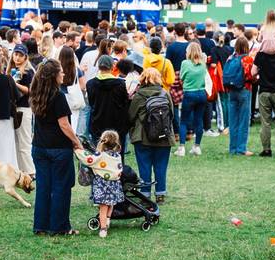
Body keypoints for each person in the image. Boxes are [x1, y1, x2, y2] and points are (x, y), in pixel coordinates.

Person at [30, 58, 82, 235]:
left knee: (44, 187)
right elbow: (64, 124)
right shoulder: (58, 96)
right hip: (59, 147)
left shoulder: (36, 93)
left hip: (40, 146)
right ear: (54, 76)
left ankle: (41, 225)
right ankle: (59, 226)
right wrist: (77, 142)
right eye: (61, 71)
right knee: (61, 186)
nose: (64, 73)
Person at [128, 68, 175, 203]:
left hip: (142, 137)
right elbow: (171, 113)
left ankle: (145, 194)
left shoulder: (139, 95)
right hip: (164, 136)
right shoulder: (164, 93)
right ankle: (160, 194)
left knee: (144, 166)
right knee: (161, 166)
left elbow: (131, 116)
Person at [75, 130, 124, 238]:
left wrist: (78, 150)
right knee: (110, 204)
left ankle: (103, 229)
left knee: (103, 207)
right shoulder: (117, 156)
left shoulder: (101, 155)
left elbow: (88, 160)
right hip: (114, 184)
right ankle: (107, 220)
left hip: (102, 184)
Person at [252, 32, 275, 157]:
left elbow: (253, 72)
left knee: (265, 122)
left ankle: (266, 149)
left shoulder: (260, 55)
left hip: (264, 91)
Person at [86, 55, 130, 149]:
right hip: (117, 124)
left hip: (97, 123)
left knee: (99, 153)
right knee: (117, 156)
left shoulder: (90, 84)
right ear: (112, 66)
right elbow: (124, 103)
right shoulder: (120, 84)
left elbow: (91, 103)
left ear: (98, 67)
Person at [7, 44, 36, 176]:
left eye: (20, 55)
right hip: (14, 109)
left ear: (25, 57)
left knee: (24, 142)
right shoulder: (12, 70)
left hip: (24, 108)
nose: (17, 57)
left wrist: (14, 83)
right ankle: (22, 170)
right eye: (15, 54)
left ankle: (31, 171)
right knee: (17, 142)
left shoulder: (28, 72)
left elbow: (30, 91)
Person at [175, 42, 208, 157]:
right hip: (202, 93)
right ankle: (197, 146)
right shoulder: (203, 63)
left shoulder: (185, 63)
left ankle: (182, 147)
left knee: (184, 121)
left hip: (189, 93)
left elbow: (181, 77)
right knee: (199, 121)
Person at [225, 37, 254, 156]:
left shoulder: (230, 58)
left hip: (231, 91)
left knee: (233, 120)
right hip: (244, 89)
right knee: (243, 120)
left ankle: (232, 148)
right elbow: (249, 76)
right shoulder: (247, 59)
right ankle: (241, 148)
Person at [59, 46, 86, 133]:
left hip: (60, 98)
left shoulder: (57, 69)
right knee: (73, 123)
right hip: (74, 100)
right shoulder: (76, 70)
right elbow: (83, 85)